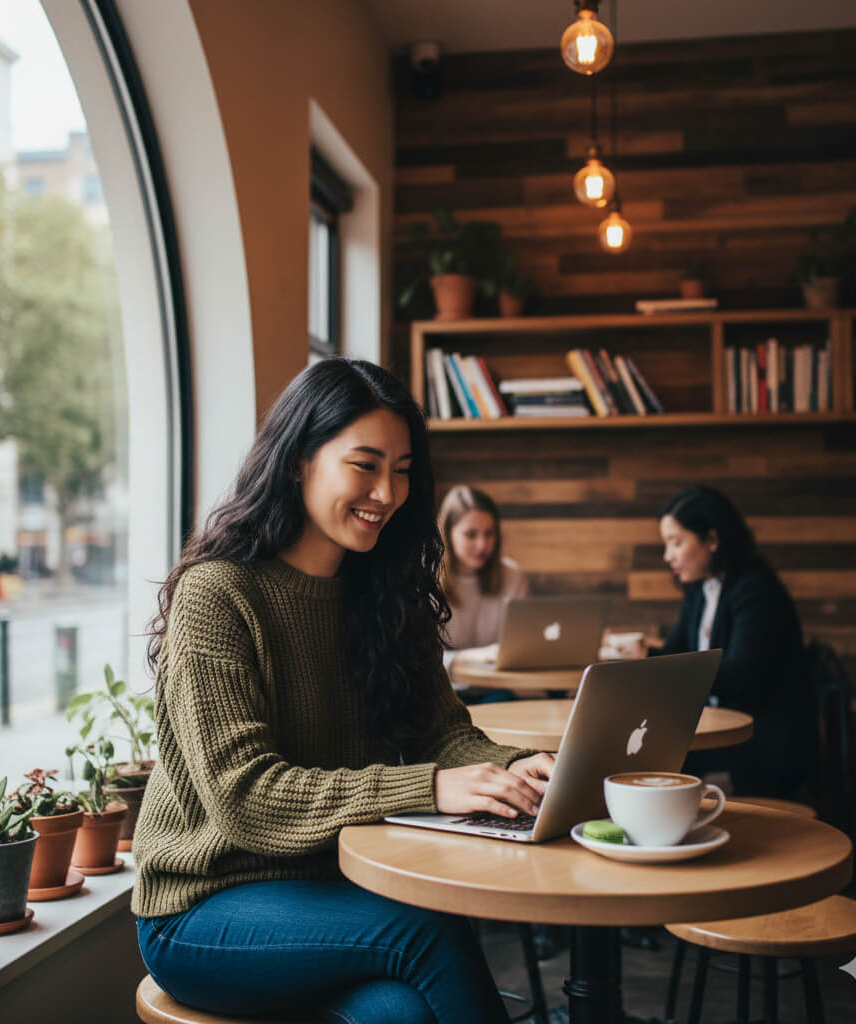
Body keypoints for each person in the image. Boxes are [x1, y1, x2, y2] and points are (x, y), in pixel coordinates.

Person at [131, 358, 555, 1024]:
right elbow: (247, 798)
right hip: (203, 906)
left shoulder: (387, 597)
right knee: (427, 926)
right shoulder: (219, 595)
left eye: (403, 469)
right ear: (299, 460)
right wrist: (431, 788)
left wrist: (510, 769)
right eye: (365, 465)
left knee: (402, 1015)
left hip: (334, 890)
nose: (388, 492)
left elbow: (443, 732)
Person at [605, 484, 811, 798]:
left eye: (675, 542)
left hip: (757, 743)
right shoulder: (702, 589)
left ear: (712, 540)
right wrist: (644, 653)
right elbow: (678, 654)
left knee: (640, 757)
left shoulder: (755, 590)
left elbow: (738, 678)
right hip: (718, 727)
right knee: (626, 744)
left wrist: (656, 664)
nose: (667, 555)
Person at [437, 485, 527, 701]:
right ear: (447, 534)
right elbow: (414, 660)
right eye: (471, 535)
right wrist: (474, 656)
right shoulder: (425, 578)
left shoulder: (512, 575)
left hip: (495, 690)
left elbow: (521, 646)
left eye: (489, 534)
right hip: (441, 695)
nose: (482, 545)